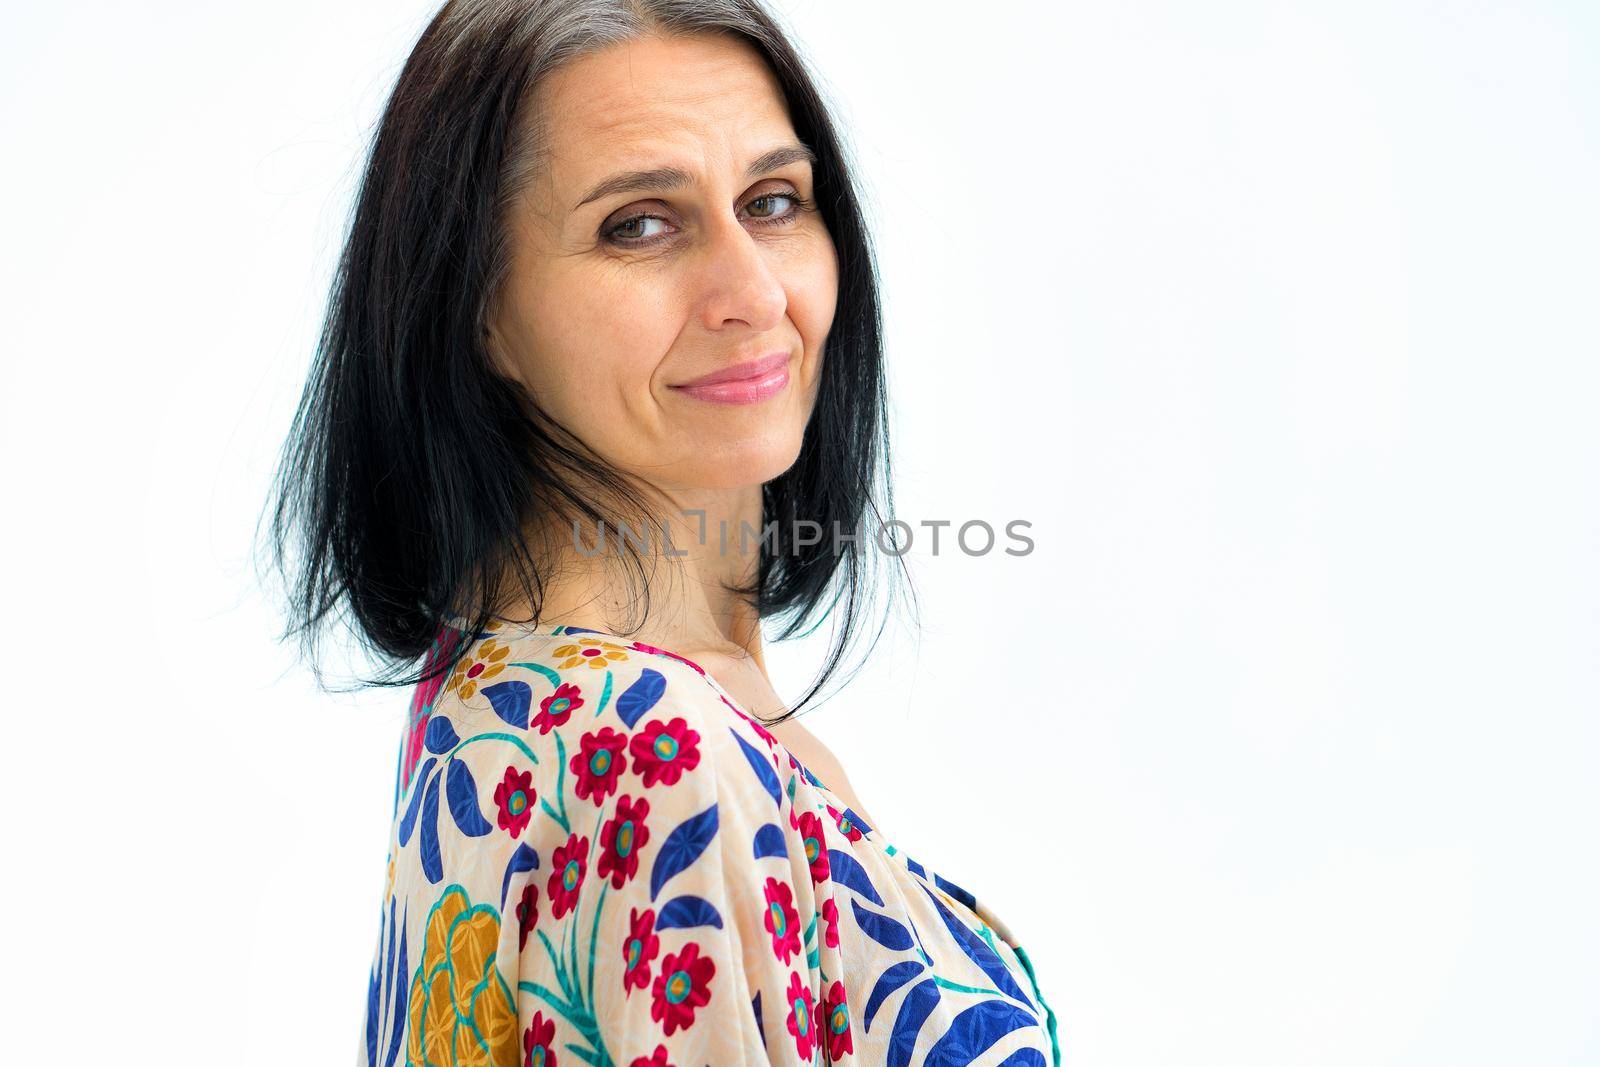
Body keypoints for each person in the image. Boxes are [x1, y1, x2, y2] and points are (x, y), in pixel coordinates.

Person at [263, 2, 1060, 1063]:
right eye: (638, 223)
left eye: (773, 202)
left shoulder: (504, 681)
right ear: (479, 306)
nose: (752, 291)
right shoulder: (647, 743)